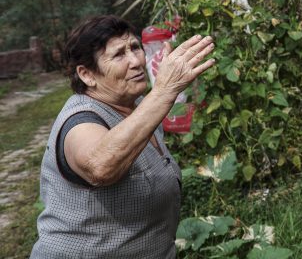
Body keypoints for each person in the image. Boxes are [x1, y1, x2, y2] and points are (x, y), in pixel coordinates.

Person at [31, 15, 215, 258]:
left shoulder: (139, 107)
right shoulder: (80, 120)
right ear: (87, 75)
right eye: (118, 54)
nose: (136, 61)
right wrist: (164, 91)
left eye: (136, 48)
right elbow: (100, 166)